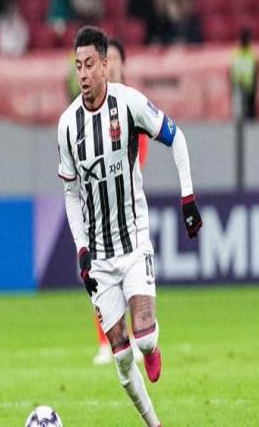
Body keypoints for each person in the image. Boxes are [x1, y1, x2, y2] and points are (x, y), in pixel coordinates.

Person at [57, 26, 202, 426]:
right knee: (121, 359)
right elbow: (71, 193)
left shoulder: (130, 104)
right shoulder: (67, 125)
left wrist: (187, 197)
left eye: (90, 64)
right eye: (78, 66)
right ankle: (155, 423)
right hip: (99, 256)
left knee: (145, 338)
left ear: (106, 65)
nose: (83, 73)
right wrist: (80, 248)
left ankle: (153, 347)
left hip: (134, 241)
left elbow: (176, 137)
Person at [92, 38, 146, 366]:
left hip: (128, 207)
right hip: (99, 208)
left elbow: (142, 150)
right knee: (99, 276)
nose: (110, 64)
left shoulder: (132, 103)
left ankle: (139, 337)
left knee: (132, 276)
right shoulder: (90, 107)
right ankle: (106, 342)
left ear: (123, 64)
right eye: (106, 59)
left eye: (114, 58)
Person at [231, 28, 259, 121]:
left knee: (250, 112)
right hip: (239, 85)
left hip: (249, 86)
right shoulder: (237, 53)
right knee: (240, 112)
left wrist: (255, 84)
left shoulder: (252, 54)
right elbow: (233, 70)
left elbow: (255, 70)